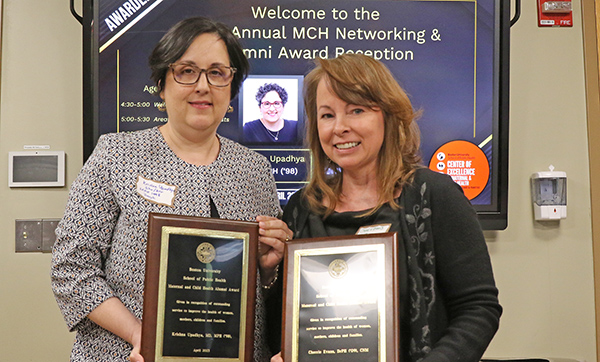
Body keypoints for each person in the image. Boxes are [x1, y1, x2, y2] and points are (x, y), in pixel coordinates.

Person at [50, 17, 290, 362]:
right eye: (187, 71)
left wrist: (268, 269)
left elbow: (258, 292)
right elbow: (72, 271)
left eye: (217, 73)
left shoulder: (255, 170)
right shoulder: (117, 154)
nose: (202, 86)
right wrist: (142, 337)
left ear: (232, 87)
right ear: (162, 83)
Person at [268, 54, 502, 362]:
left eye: (356, 110)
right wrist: (269, 272)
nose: (340, 127)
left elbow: (479, 308)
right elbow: (283, 326)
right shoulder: (302, 208)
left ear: (387, 115)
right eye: (327, 115)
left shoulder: (434, 195)